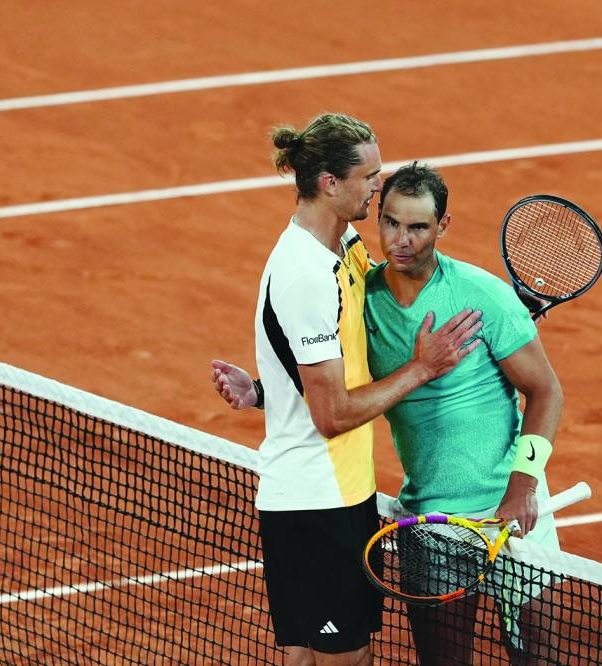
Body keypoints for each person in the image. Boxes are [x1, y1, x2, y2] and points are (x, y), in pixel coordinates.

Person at [214, 162, 564, 665]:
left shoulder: (484, 297)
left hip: (516, 516)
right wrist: (262, 392)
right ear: (377, 218)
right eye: (392, 223)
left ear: (443, 226)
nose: (402, 240)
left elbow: (546, 391)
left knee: (539, 657)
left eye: (418, 227)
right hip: (433, 522)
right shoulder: (364, 299)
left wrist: (523, 486)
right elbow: (339, 383)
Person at [223, 113, 484, 666]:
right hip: (317, 503)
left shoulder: (343, 243)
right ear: (329, 182)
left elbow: (335, 363)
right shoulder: (306, 275)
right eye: (369, 176)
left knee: (305, 658)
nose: (378, 186)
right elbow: (333, 414)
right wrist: (423, 368)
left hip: (336, 493)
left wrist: (269, 392)